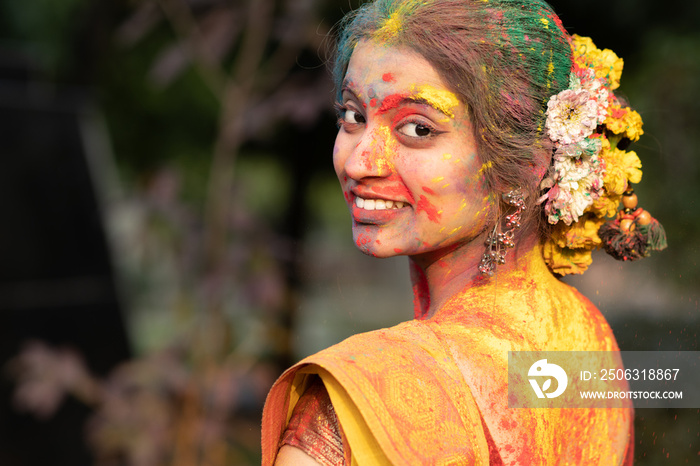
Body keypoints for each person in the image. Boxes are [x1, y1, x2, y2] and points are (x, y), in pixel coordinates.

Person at [262, 0, 665, 464]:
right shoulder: (587, 336)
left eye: (417, 127)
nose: (357, 162)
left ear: (526, 164)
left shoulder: (368, 396)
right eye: (353, 116)